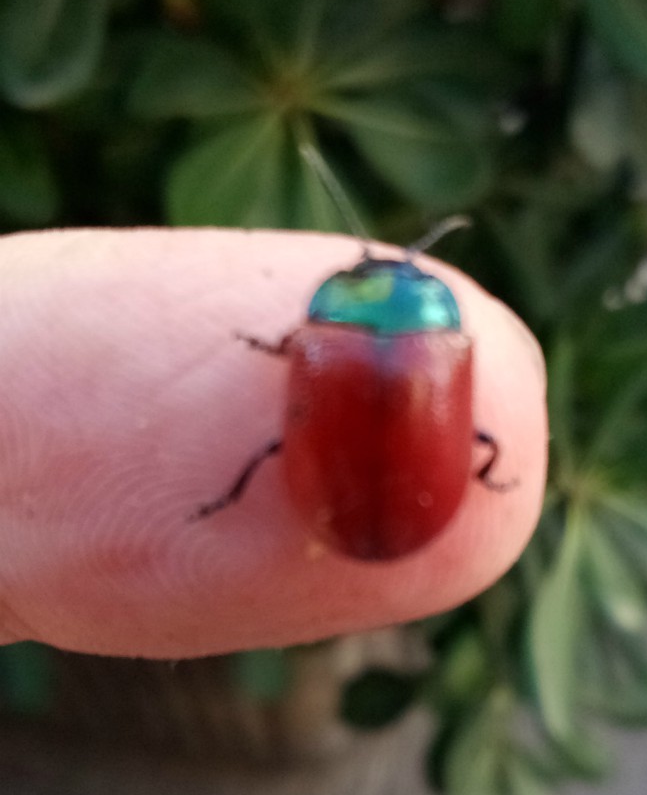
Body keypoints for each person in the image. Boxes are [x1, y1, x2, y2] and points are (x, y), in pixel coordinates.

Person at [0, 228, 548, 658]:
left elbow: (296, 349)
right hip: (416, 514)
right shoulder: (447, 346)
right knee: (488, 442)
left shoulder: (318, 339)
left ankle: (226, 500)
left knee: (269, 449)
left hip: (349, 511)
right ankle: (487, 475)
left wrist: (279, 348)